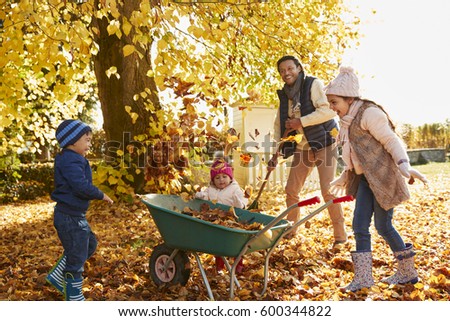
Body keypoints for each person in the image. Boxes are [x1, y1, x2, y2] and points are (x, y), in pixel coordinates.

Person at [324, 66, 428, 292]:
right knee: (360, 226)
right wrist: (345, 175)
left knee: (383, 226)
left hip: (382, 178)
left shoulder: (369, 113)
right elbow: (356, 153)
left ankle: (408, 273)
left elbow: (391, 141)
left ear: (349, 98)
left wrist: (404, 165)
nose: (332, 108)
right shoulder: (347, 121)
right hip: (365, 181)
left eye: (334, 102)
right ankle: (363, 278)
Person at [268, 55, 347, 248]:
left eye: (290, 68)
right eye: (282, 71)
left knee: (328, 190)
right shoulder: (284, 94)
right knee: (291, 190)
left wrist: (300, 121)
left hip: (324, 143)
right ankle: (291, 228)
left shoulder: (313, 84)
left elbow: (328, 110)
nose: (286, 73)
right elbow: (280, 124)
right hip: (303, 147)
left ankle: (340, 235)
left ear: (299, 68)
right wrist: (274, 153)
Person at [46, 119, 114, 301]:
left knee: (89, 244)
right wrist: (100, 194)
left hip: (75, 215)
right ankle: (74, 295)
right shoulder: (70, 160)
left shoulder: (74, 158)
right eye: (87, 140)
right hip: (69, 217)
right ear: (73, 141)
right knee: (76, 256)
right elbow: (80, 185)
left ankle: (58, 276)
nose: (90, 144)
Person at [195, 158, 248, 273]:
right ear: (213, 180)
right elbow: (205, 196)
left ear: (230, 177)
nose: (221, 180)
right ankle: (219, 265)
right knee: (218, 244)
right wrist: (201, 195)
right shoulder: (210, 189)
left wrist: (239, 202)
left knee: (236, 244)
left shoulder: (235, 189)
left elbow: (243, 203)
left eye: (224, 176)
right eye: (217, 178)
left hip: (233, 220)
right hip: (216, 221)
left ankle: (238, 264)